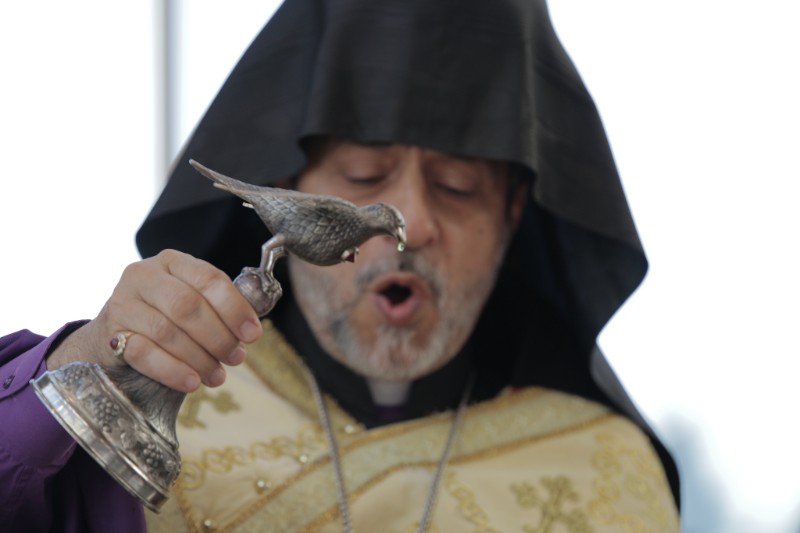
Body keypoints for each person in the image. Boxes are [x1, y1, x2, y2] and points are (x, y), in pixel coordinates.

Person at [0, 0, 681, 531]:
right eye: (362, 174)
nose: (409, 222)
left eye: (457, 188)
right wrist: (77, 379)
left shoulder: (607, 475)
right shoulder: (172, 386)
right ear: (295, 182)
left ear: (512, 214)